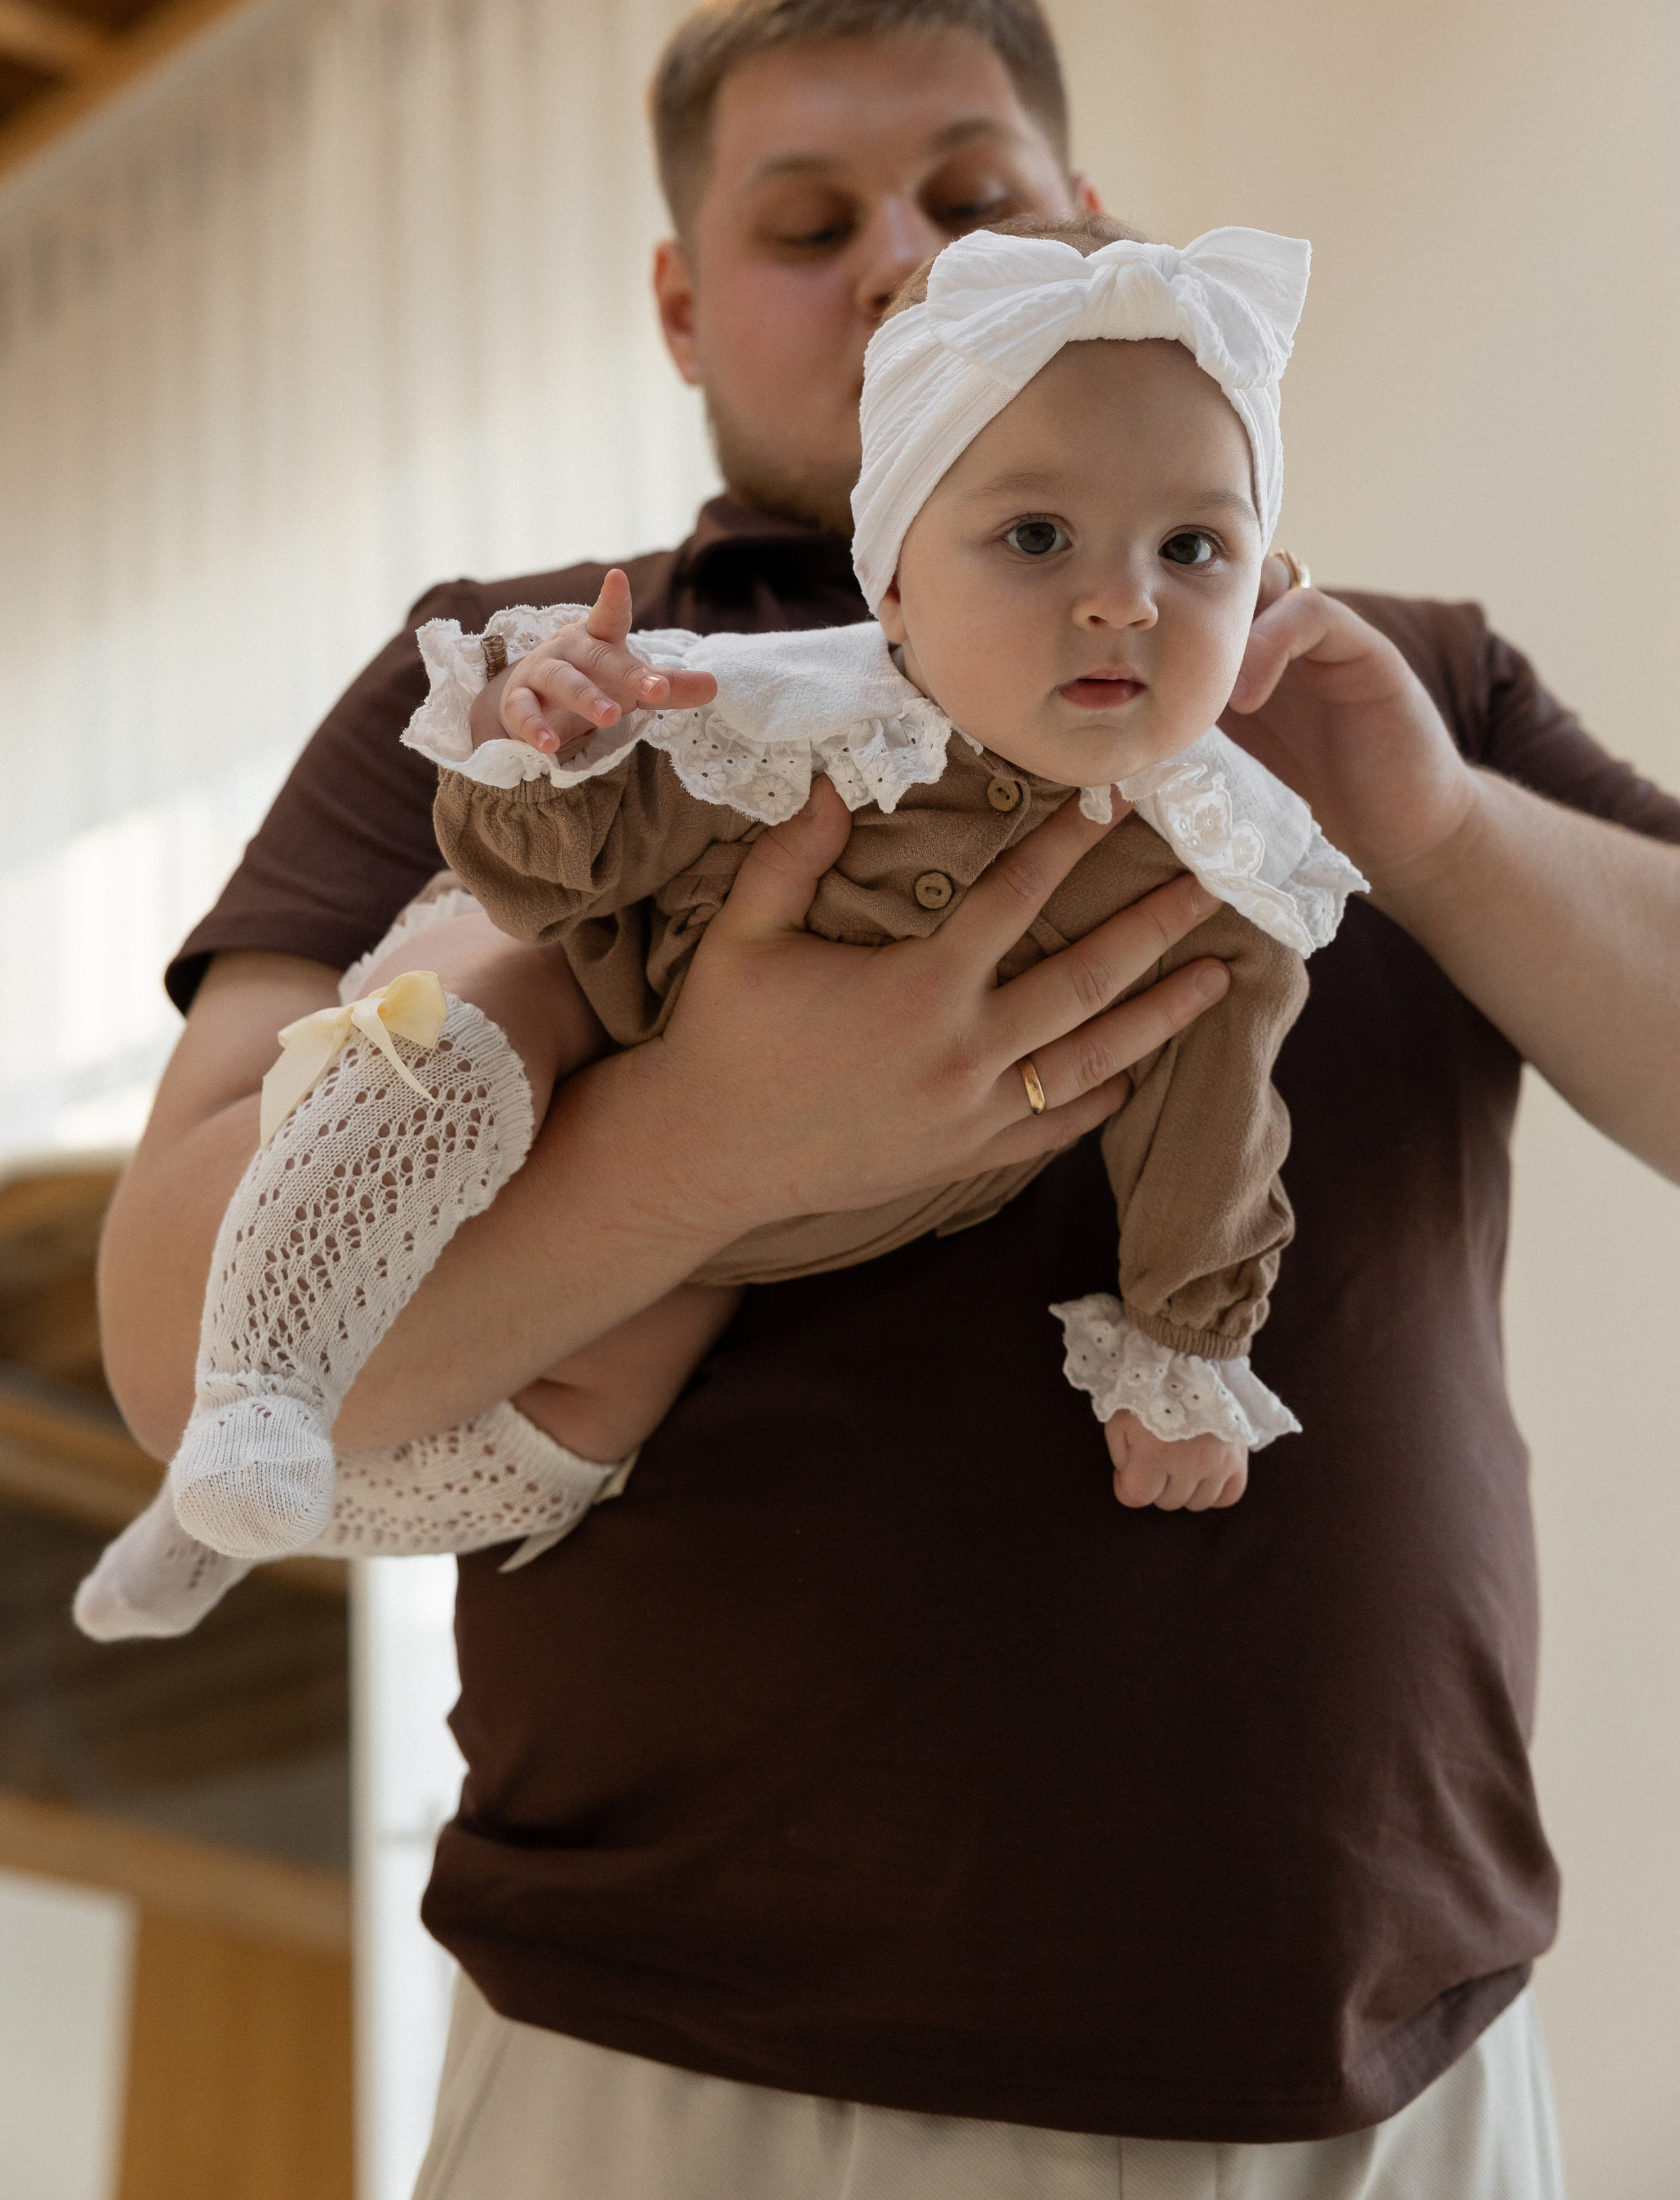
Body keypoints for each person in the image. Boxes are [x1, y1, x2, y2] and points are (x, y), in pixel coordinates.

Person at [95, 0, 1680, 2200]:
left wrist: (1433, 830)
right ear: (679, 299)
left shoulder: (1380, 693)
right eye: (805, 220)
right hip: (673, 2095)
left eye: (969, 189)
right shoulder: (563, 692)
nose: (903, 261)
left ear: (1093, 222)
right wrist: (724, 1151)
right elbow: (181, 1337)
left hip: (1377, 2095)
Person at [83, 213, 1364, 1632]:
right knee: (477, 1014)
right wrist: (557, 742)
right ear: (892, 579)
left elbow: (1214, 1142)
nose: (1121, 599)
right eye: (1037, 537)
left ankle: (222, 1528)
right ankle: (256, 1391)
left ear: (1261, 594)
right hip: (592, 978)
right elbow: (558, 875)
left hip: (756, 1238)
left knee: (612, 1380)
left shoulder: (1222, 879)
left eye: (1192, 547)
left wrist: (1185, 1350)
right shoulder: (793, 710)